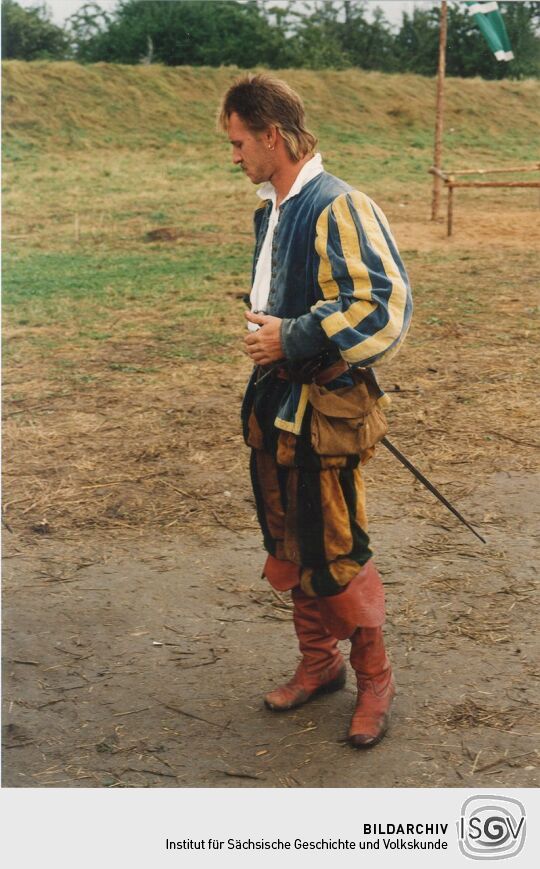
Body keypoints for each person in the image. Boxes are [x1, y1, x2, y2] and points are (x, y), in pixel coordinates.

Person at [218, 73, 412, 748]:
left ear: (273, 134)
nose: (234, 155)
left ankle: (375, 678)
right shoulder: (273, 210)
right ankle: (317, 663)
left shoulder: (339, 205)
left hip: (326, 410)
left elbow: (378, 304)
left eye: (240, 142)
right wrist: (268, 327)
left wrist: (291, 335)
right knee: (290, 539)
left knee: (335, 547)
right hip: (275, 406)